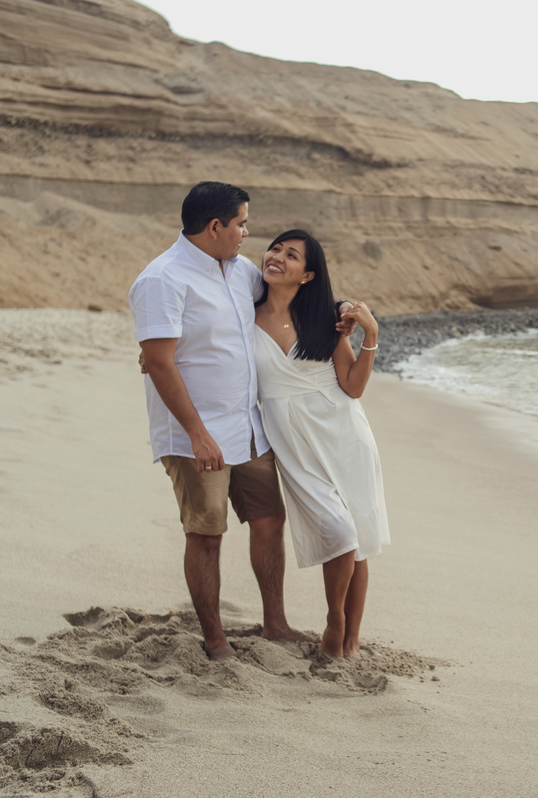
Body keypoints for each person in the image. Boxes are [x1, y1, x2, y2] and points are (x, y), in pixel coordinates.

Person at [128, 182, 314, 660]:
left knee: (269, 520)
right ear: (216, 227)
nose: (247, 233)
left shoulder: (241, 272)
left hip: (248, 426)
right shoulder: (162, 279)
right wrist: (197, 434)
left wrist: (345, 321)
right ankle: (214, 640)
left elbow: (280, 305)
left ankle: (275, 624)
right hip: (196, 434)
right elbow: (162, 362)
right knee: (207, 535)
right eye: (242, 224)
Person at [252, 229, 390, 658]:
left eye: (290, 255)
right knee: (340, 530)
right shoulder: (244, 312)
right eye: (275, 248)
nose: (276, 257)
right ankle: (335, 620)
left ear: (308, 275)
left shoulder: (327, 318)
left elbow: (352, 387)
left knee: (359, 539)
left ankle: (349, 640)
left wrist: (370, 335)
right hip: (293, 440)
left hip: (344, 434)